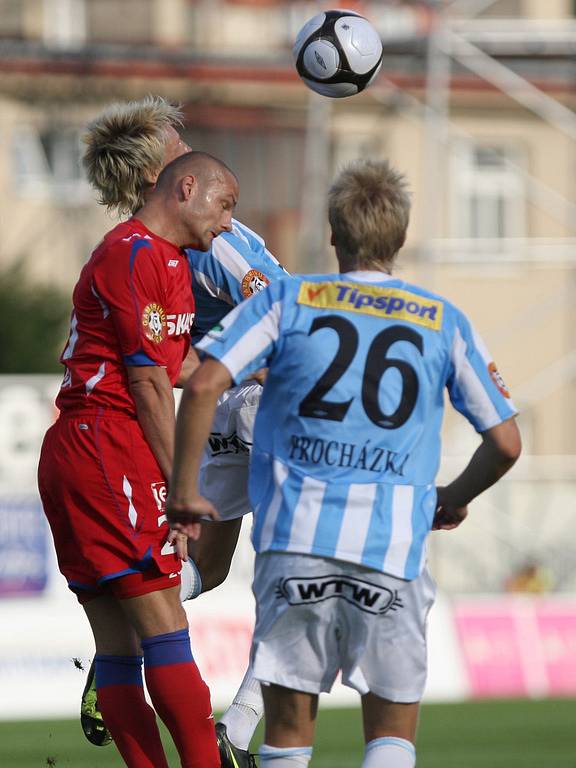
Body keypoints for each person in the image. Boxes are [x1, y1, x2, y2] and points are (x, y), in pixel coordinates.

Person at [166, 159, 522, 767]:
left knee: (287, 735)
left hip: (298, 544)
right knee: (389, 734)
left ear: (332, 235)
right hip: (393, 551)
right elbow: (506, 442)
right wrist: (452, 496)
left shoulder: (288, 299)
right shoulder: (442, 319)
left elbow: (201, 386)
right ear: (401, 238)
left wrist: (182, 494)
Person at [80, 95, 286, 766]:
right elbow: (278, 308)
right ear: (167, 177)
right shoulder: (207, 242)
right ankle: (237, 728)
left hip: (214, 403)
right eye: (173, 143)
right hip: (262, 402)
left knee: (211, 566)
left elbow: (174, 359)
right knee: (297, 577)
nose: (188, 149)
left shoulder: (154, 250)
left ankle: (137, 641)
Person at [38, 151, 239, 768]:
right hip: (106, 441)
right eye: (224, 205)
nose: (228, 224)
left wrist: (258, 364)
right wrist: (181, 484)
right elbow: (149, 383)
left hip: (90, 444)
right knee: (164, 625)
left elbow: (173, 366)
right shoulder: (131, 254)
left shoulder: (170, 261)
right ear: (186, 188)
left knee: (120, 645)